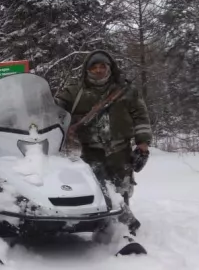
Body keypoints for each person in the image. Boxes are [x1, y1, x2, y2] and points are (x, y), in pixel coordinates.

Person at [54, 50, 152, 234]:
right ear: (87, 69)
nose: (98, 70)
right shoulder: (75, 91)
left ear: (109, 67)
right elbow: (54, 108)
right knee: (95, 186)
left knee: (121, 186)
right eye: (94, 66)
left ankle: (123, 226)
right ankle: (99, 224)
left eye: (102, 66)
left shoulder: (126, 90)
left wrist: (143, 143)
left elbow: (141, 116)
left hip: (120, 149)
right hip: (89, 150)